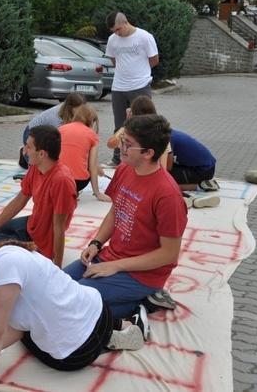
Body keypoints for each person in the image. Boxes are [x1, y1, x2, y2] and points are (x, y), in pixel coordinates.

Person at [0, 236, 146, 389]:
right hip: (100, 311)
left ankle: (106, 340)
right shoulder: (4, 251)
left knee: (24, 333)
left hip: (77, 354)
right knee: (25, 321)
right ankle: (120, 326)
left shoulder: (4, 272)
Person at [63, 114, 188, 318]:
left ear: (148, 153)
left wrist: (115, 266)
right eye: (122, 140)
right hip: (112, 257)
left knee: (76, 302)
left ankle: (140, 304)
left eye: (128, 144)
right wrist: (96, 243)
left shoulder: (168, 195)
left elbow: (169, 254)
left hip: (142, 274)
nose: (120, 147)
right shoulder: (124, 169)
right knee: (55, 287)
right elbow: (116, 211)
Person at [0, 125, 76, 268]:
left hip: (41, 242)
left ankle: (29, 251)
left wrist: (56, 267)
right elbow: (19, 201)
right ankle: (17, 246)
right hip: (30, 224)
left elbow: (58, 226)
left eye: (28, 147)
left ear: (42, 154)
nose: (24, 151)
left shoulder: (61, 180)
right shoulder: (36, 166)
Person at [104, 11, 159, 168]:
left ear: (126, 22)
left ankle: (146, 155)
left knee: (144, 123)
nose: (117, 33)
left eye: (118, 29)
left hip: (140, 85)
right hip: (119, 86)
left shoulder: (144, 37)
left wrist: (140, 71)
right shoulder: (112, 40)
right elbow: (114, 59)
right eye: (114, 31)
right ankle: (117, 158)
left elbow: (154, 59)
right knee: (120, 124)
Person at [18, 93, 85, 169]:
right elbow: (61, 141)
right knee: (36, 167)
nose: (81, 112)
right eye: (79, 109)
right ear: (70, 107)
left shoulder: (69, 111)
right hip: (32, 132)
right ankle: (25, 152)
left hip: (45, 133)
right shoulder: (57, 118)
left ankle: (25, 152)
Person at [59, 105, 111, 201]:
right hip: (78, 182)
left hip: (57, 180)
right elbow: (92, 168)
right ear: (91, 121)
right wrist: (97, 193)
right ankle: (73, 191)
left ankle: (64, 191)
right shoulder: (92, 135)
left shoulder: (61, 129)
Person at [106, 95, 169, 169]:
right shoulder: (160, 133)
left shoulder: (130, 131)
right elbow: (163, 166)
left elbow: (111, 144)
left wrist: (127, 122)